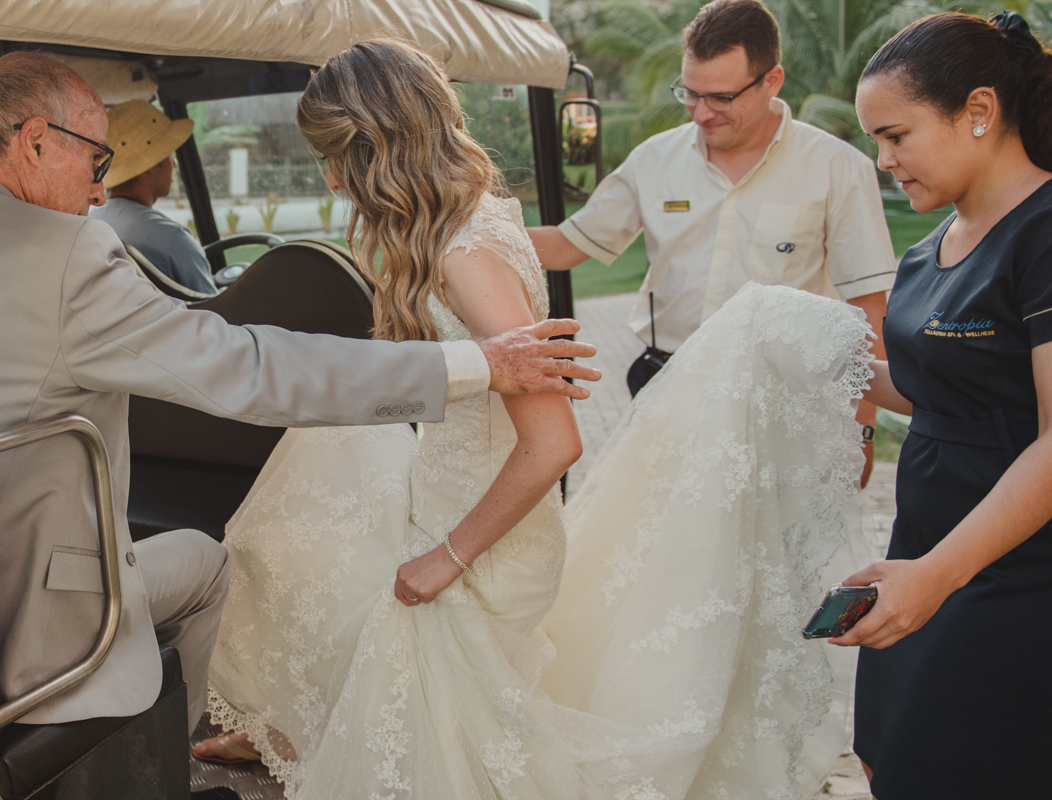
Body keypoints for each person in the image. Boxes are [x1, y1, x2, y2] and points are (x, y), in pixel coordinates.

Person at [201, 38, 873, 800]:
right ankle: (290, 728)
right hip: (447, 494)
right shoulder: (474, 219)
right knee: (300, 532)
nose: (329, 178)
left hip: (481, 535)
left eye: (334, 157)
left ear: (377, 151)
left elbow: (554, 442)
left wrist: (445, 558)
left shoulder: (464, 255)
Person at [0, 51, 599, 737]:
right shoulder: (70, 254)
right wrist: (478, 365)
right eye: (99, 161)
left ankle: (262, 729)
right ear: (36, 141)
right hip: (34, 611)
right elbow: (244, 367)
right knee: (229, 558)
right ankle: (169, 758)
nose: (101, 194)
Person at [839, 12, 1052, 799]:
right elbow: (938, 393)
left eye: (896, 136)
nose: (884, 161)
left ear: (978, 110)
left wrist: (938, 576)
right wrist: (819, 363)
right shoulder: (925, 252)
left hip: (1022, 568)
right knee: (887, 758)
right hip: (922, 547)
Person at [528, 0, 893, 485]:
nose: (701, 112)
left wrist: (861, 429)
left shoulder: (839, 168)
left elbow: (867, 308)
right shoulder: (654, 159)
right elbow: (565, 245)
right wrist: (462, 229)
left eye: (721, 97)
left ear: (772, 81)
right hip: (666, 388)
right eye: (690, 93)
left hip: (785, 401)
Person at [89, 99, 216, 294]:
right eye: (169, 155)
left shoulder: (91, 221)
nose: (175, 164)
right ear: (151, 164)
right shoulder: (172, 239)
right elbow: (213, 306)